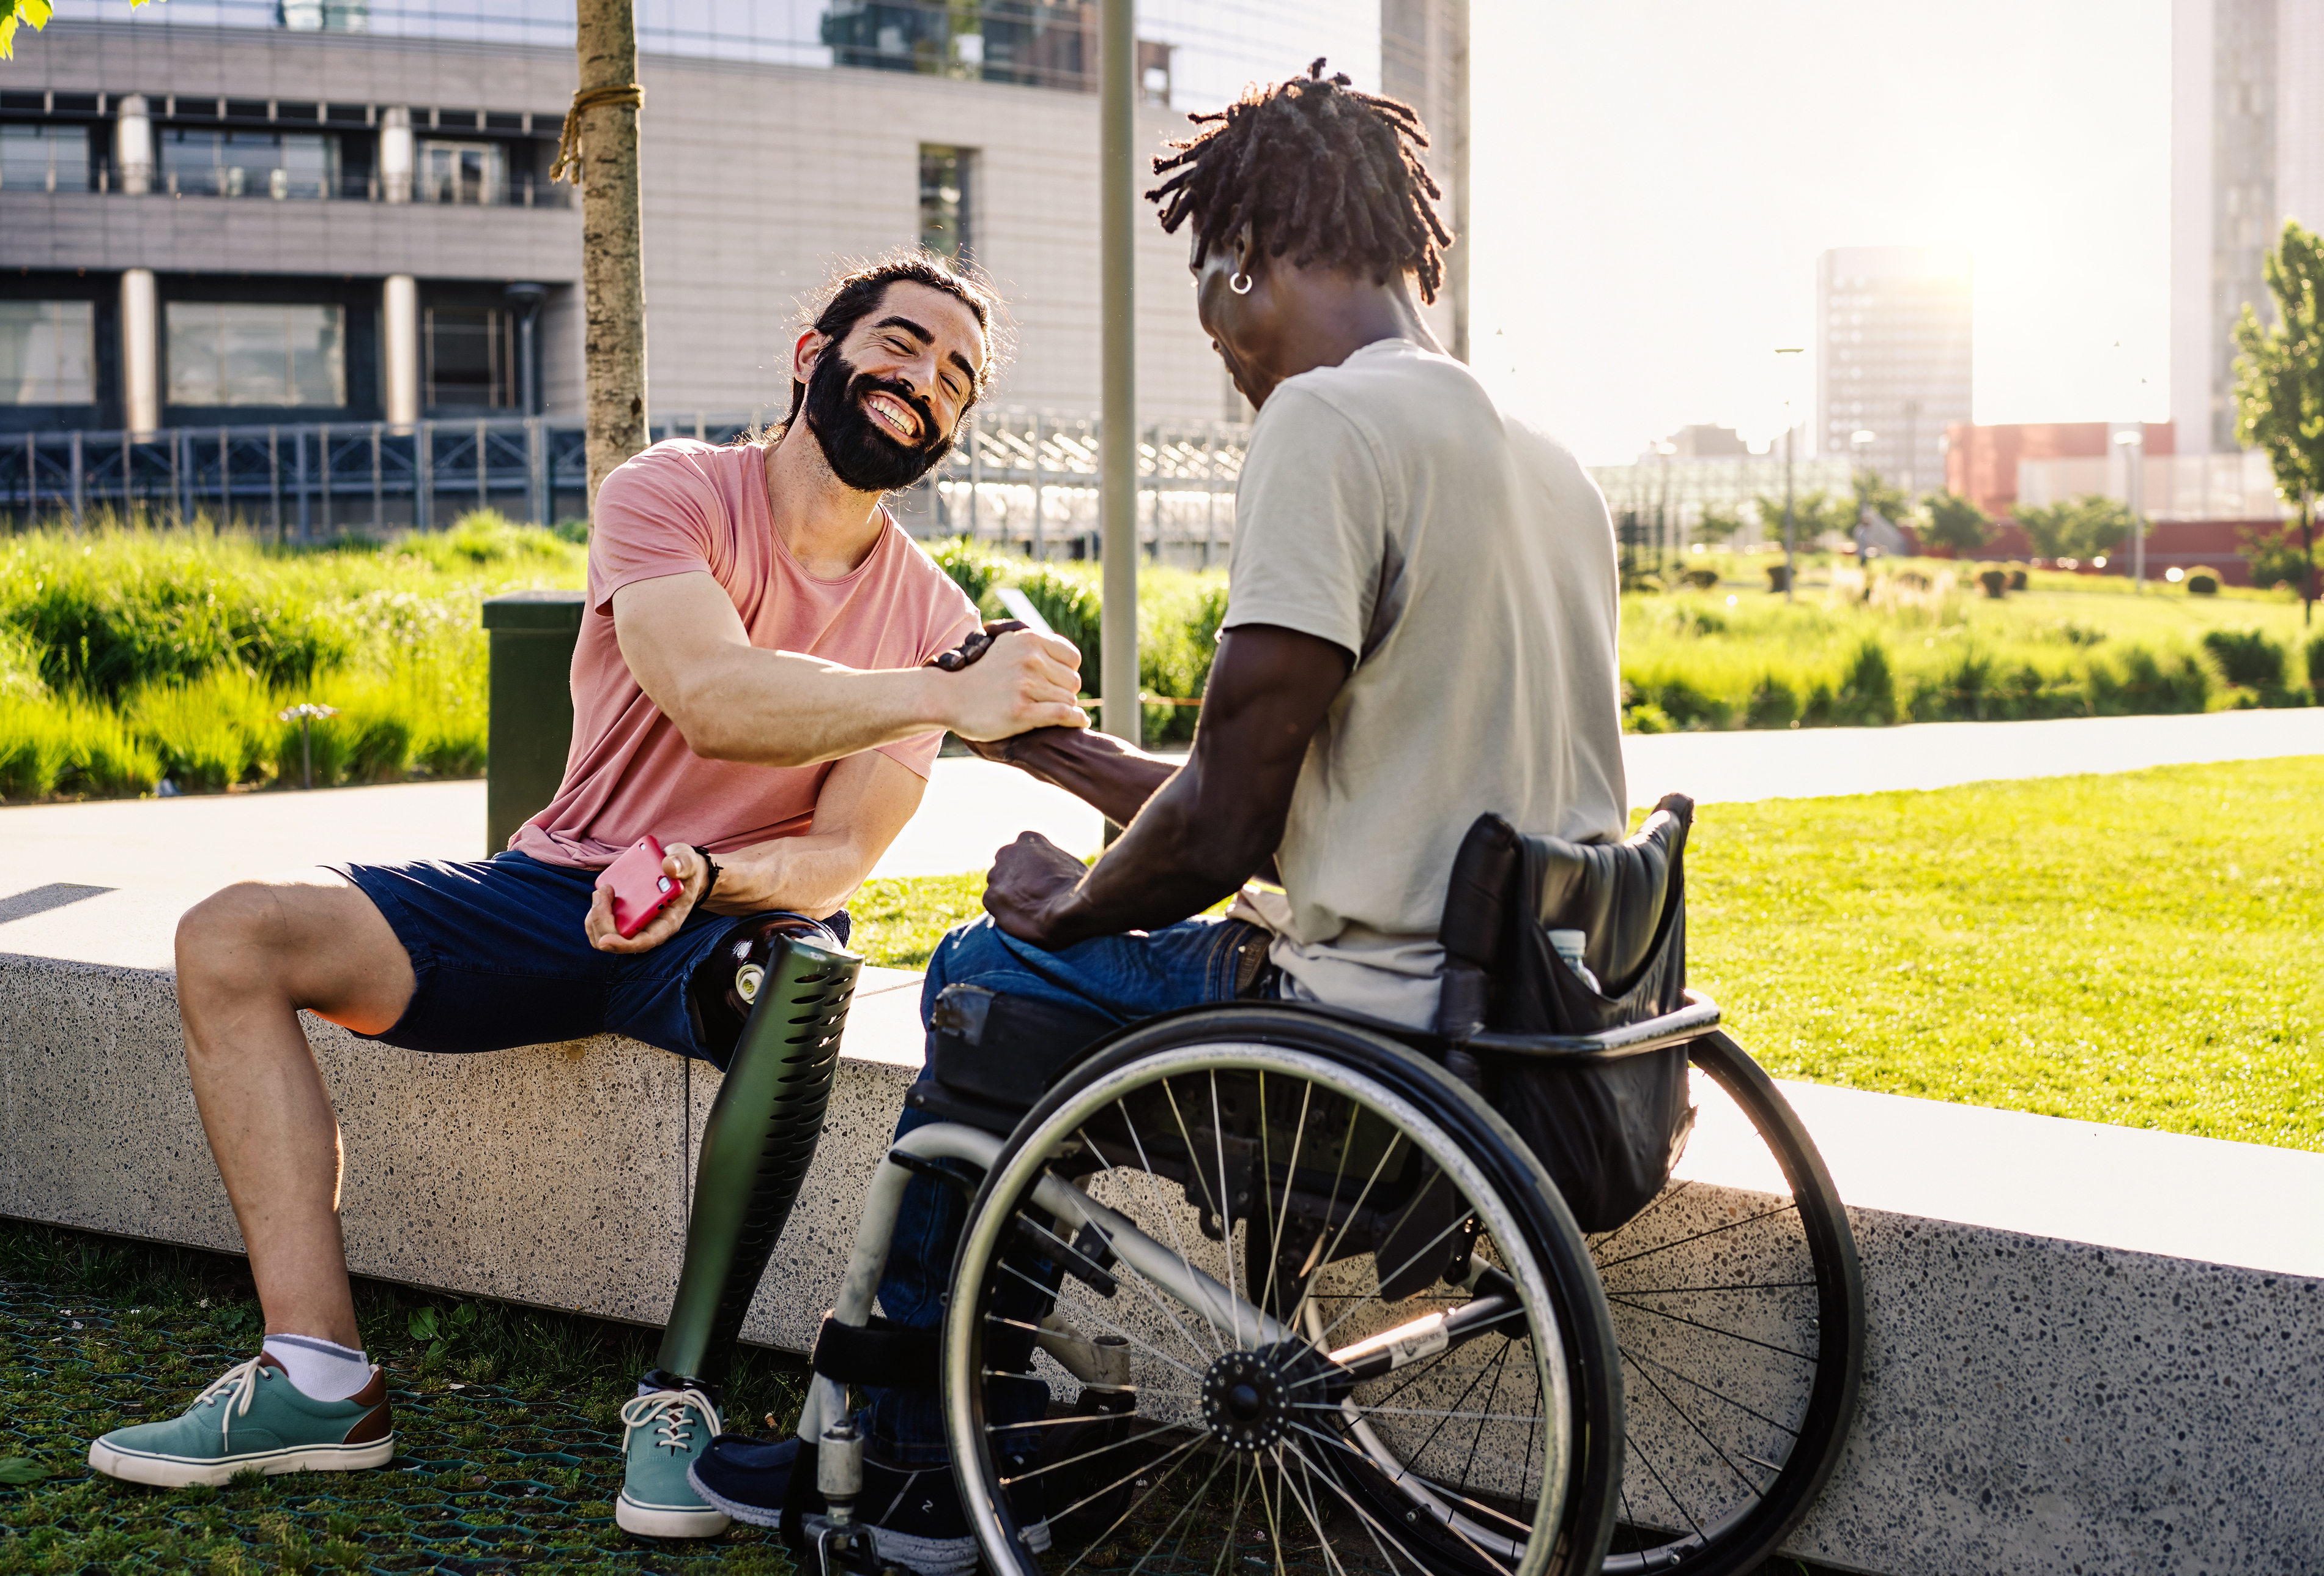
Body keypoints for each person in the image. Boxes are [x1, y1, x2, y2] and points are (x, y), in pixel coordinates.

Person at [685, 59, 1630, 1572]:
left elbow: (1221, 829)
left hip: (1364, 1032)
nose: (1229, 360)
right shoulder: (1547, 461)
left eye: (1215, 312)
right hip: (1528, 1017)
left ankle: (925, 1464)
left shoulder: (1329, 423)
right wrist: (1049, 750)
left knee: (988, 978)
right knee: (1049, 959)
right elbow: (1287, 801)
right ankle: (995, 1403)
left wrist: (1065, 905)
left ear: (1245, 263)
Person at [84, 252, 1089, 1540]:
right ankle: (318, 1378)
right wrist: (945, 690)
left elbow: (840, 856)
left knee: (809, 962)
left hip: (727, 927)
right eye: (900, 344)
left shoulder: (929, 609)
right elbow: (708, 690)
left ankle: (678, 1397)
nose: (923, 384)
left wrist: (712, 871)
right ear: (812, 350)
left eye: (957, 377)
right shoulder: (668, 490)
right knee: (231, 934)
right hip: (554, 891)